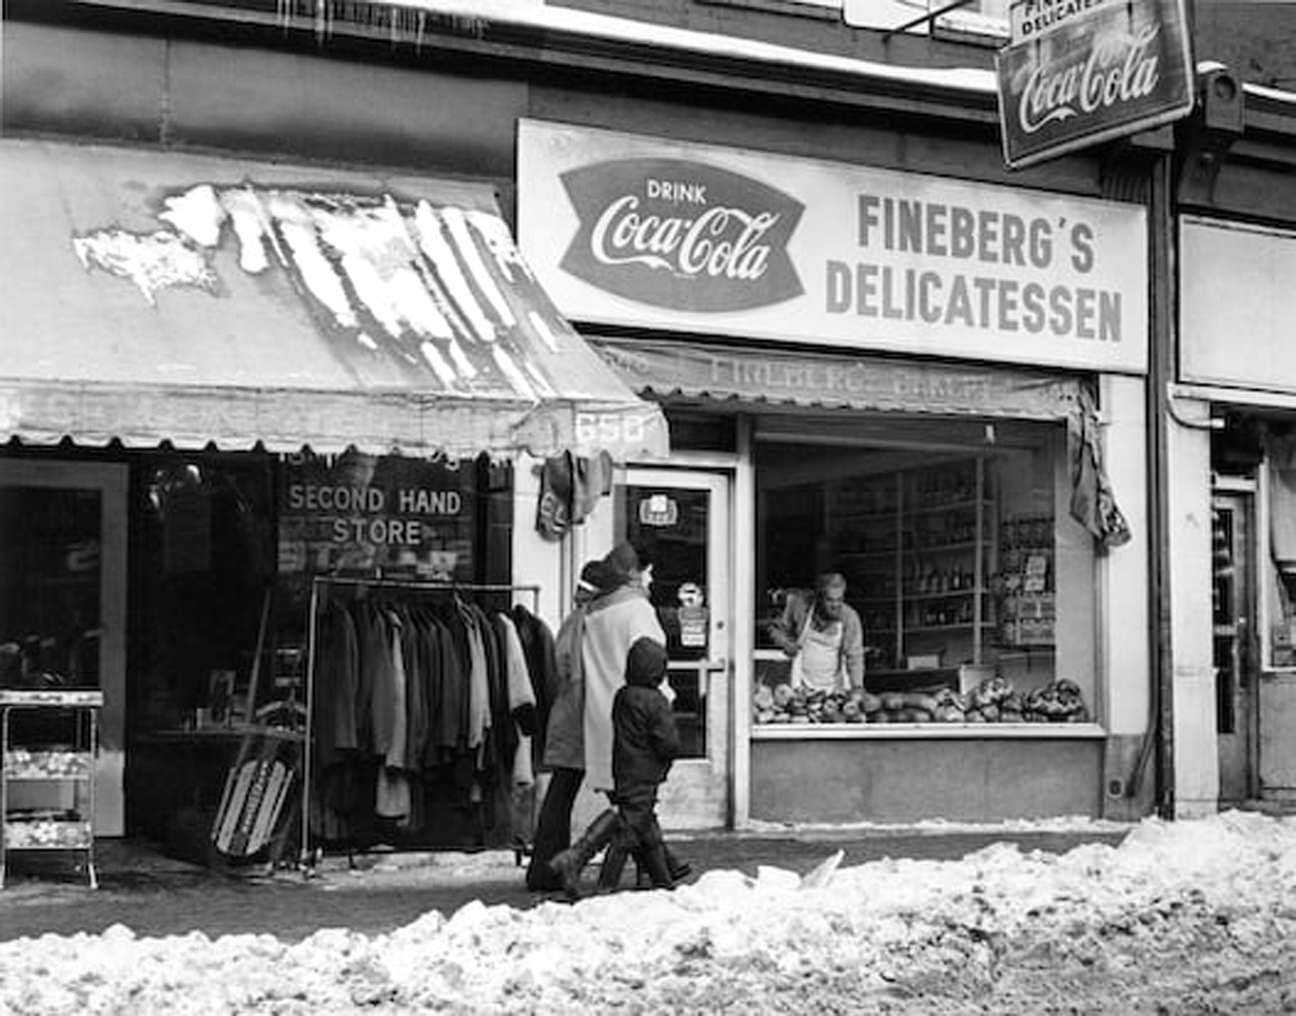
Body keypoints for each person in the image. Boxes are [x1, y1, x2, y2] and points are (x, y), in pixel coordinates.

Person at [548, 540, 688, 899]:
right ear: (634, 573)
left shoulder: (592, 612)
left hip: (603, 715)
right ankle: (589, 867)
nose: (652, 578)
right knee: (632, 808)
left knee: (633, 804)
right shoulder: (638, 611)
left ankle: (661, 871)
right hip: (641, 722)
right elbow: (651, 659)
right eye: (648, 571)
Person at [524, 558, 616, 892]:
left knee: (560, 794)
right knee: (628, 796)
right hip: (593, 713)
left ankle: (545, 867)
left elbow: (560, 663)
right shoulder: (600, 621)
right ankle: (649, 862)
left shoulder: (573, 620)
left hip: (570, 714)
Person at [597, 635, 680, 893]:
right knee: (629, 831)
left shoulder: (623, 697)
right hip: (646, 773)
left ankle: (663, 879)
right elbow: (667, 742)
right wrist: (670, 753)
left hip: (624, 769)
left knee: (645, 827)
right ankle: (605, 882)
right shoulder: (656, 702)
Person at [767, 571, 865, 692]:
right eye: (829, 600)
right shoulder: (800, 607)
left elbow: (854, 655)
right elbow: (775, 630)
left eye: (839, 600)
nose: (835, 605)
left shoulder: (849, 617)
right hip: (799, 686)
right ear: (819, 598)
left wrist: (857, 686)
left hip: (834, 690)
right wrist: (786, 643)